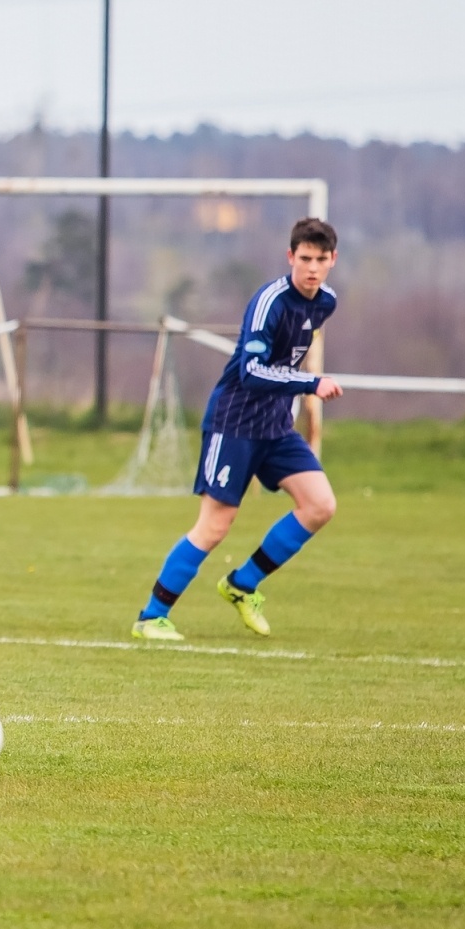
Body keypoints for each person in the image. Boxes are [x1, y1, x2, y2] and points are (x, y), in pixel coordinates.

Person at [132, 217, 343, 641]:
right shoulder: (270, 302)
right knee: (215, 526)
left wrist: (294, 394)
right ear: (290, 257)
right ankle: (151, 617)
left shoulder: (326, 302)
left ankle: (242, 585)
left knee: (320, 505)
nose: (313, 268)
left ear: (332, 260)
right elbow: (251, 373)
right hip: (235, 422)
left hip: (275, 427)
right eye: (305, 259)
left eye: (321, 260)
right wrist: (309, 384)